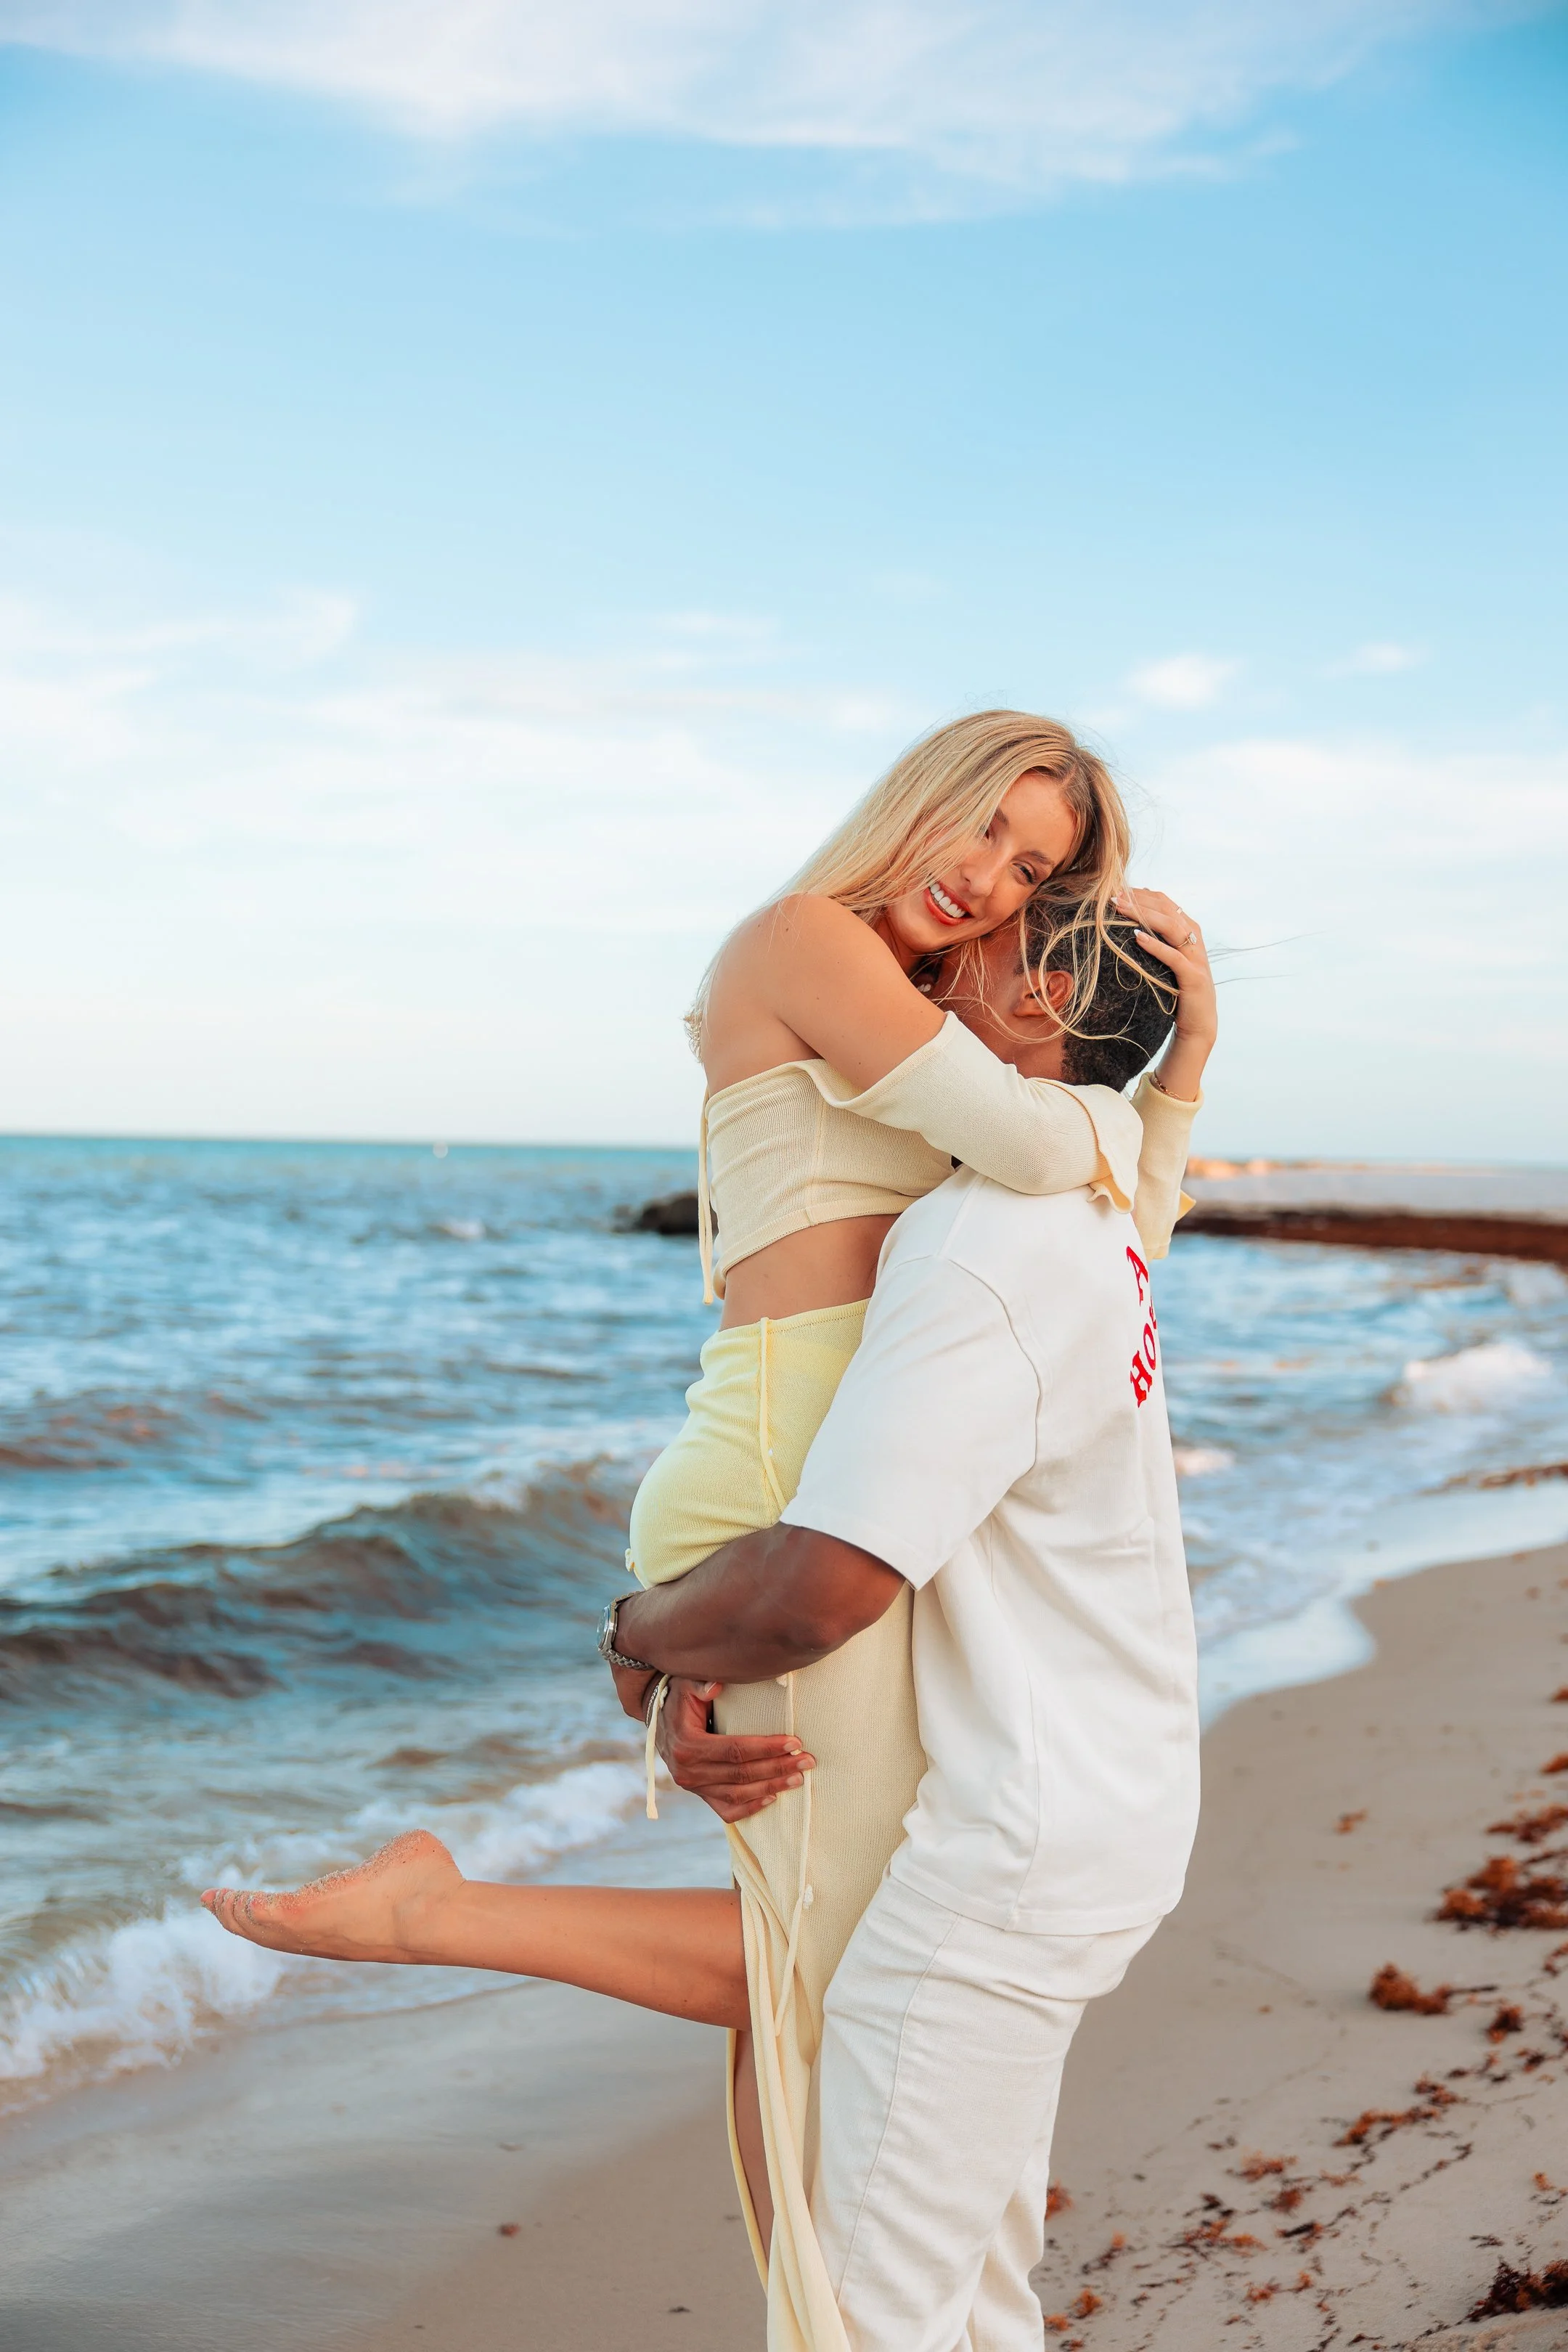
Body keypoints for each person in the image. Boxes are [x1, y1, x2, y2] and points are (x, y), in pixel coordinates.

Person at [203, 710, 1214, 2348]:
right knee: (845, 1957)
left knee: (838, 1953)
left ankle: (810, 2294)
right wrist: (1169, 1067)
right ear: (921, 800)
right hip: (792, 1478)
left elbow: (1110, 1230)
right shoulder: (806, 940)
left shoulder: (942, 1033)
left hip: (855, 1493)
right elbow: (1052, 1152)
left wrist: (1179, 1079)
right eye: (985, 833)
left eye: (1035, 871)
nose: (987, 880)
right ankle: (442, 1922)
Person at [605, 895, 1200, 2350]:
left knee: (867, 2312)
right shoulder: (1094, 1209)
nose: (939, 968)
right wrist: (1186, 1064)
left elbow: (825, 1584)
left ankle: (431, 1915)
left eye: (989, 946)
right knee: (972, 2285)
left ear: (1045, 992)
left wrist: (640, 1635)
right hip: (1095, 1804)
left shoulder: (982, 1241)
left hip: (1012, 1851)